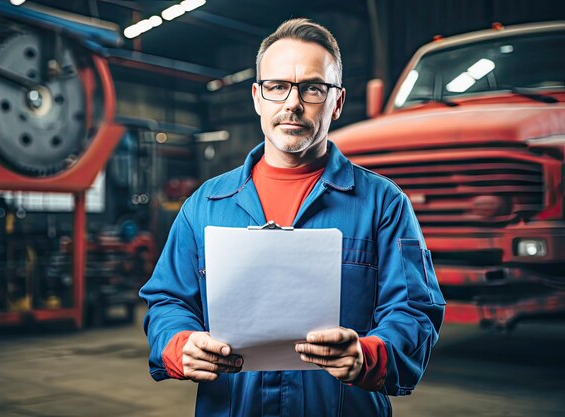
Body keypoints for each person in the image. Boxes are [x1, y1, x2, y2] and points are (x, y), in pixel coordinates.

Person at [139, 18, 445, 417]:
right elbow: (167, 299)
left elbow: (414, 310)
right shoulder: (206, 205)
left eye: (313, 88)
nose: (293, 103)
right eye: (277, 86)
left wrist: (369, 355)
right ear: (257, 97)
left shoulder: (383, 204)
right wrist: (180, 345)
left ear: (336, 101)